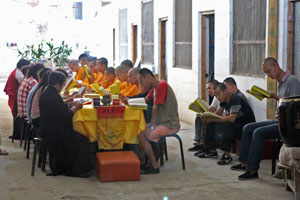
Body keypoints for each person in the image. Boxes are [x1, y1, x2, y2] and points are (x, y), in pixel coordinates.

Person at [231, 57, 300, 180]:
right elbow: (285, 102)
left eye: (268, 71)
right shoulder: (281, 83)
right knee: (247, 128)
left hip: (287, 126)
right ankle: (244, 163)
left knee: (258, 133)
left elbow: (295, 106)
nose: (268, 75)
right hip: (279, 120)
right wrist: (273, 96)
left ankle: (252, 170)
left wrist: (275, 97)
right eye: (265, 73)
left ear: (276, 66)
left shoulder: (292, 81)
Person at [39, 71, 93, 177]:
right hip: (55, 132)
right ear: (59, 83)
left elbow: (57, 110)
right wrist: (75, 108)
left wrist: (68, 104)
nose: (63, 87)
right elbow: (63, 117)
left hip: (50, 128)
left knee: (80, 137)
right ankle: (75, 170)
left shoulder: (48, 92)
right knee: (83, 140)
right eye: (63, 84)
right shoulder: (53, 95)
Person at [199, 83, 255, 165]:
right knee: (212, 123)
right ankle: (211, 150)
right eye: (216, 96)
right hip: (236, 124)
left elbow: (232, 119)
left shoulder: (236, 99)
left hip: (245, 126)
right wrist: (207, 116)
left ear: (225, 91)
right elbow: (217, 113)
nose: (218, 97)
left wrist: (213, 119)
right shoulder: (224, 100)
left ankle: (227, 155)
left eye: (219, 94)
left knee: (228, 125)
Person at [138, 68, 180, 174]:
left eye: (141, 81)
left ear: (148, 77)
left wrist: (152, 126)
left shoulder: (162, 85)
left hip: (170, 124)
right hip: (162, 123)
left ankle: (154, 166)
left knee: (146, 136)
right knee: (139, 133)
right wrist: (128, 100)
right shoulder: (155, 87)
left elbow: (155, 107)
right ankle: (144, 163)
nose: (141, 85)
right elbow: (146, 100)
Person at [188, 79, 220, 153]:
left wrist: (209, 114)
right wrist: (204, 112)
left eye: (209, 88)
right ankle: (197, 141)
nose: (208, 91)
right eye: (207, 89)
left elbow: (220, 112)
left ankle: (203, 143)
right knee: (199, 117)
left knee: (207, 119)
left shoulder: (221, 95)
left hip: (221, 118)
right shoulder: (215, 97)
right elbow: (212, 108)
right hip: (216, 115)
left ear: (216, 87)